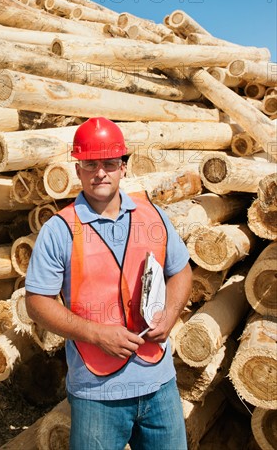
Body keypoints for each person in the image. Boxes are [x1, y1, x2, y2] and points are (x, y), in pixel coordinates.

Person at [25, 117, 192, 450]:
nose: (99, 172)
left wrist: (170, 315)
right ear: (78, 169)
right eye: (90, 164)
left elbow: (182, 271)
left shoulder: (152, 216)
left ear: (123, 167)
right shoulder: (59, 230)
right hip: (96, 394)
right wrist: (96, 334)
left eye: (109, 163)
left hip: (159, 384)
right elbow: (37, 303)